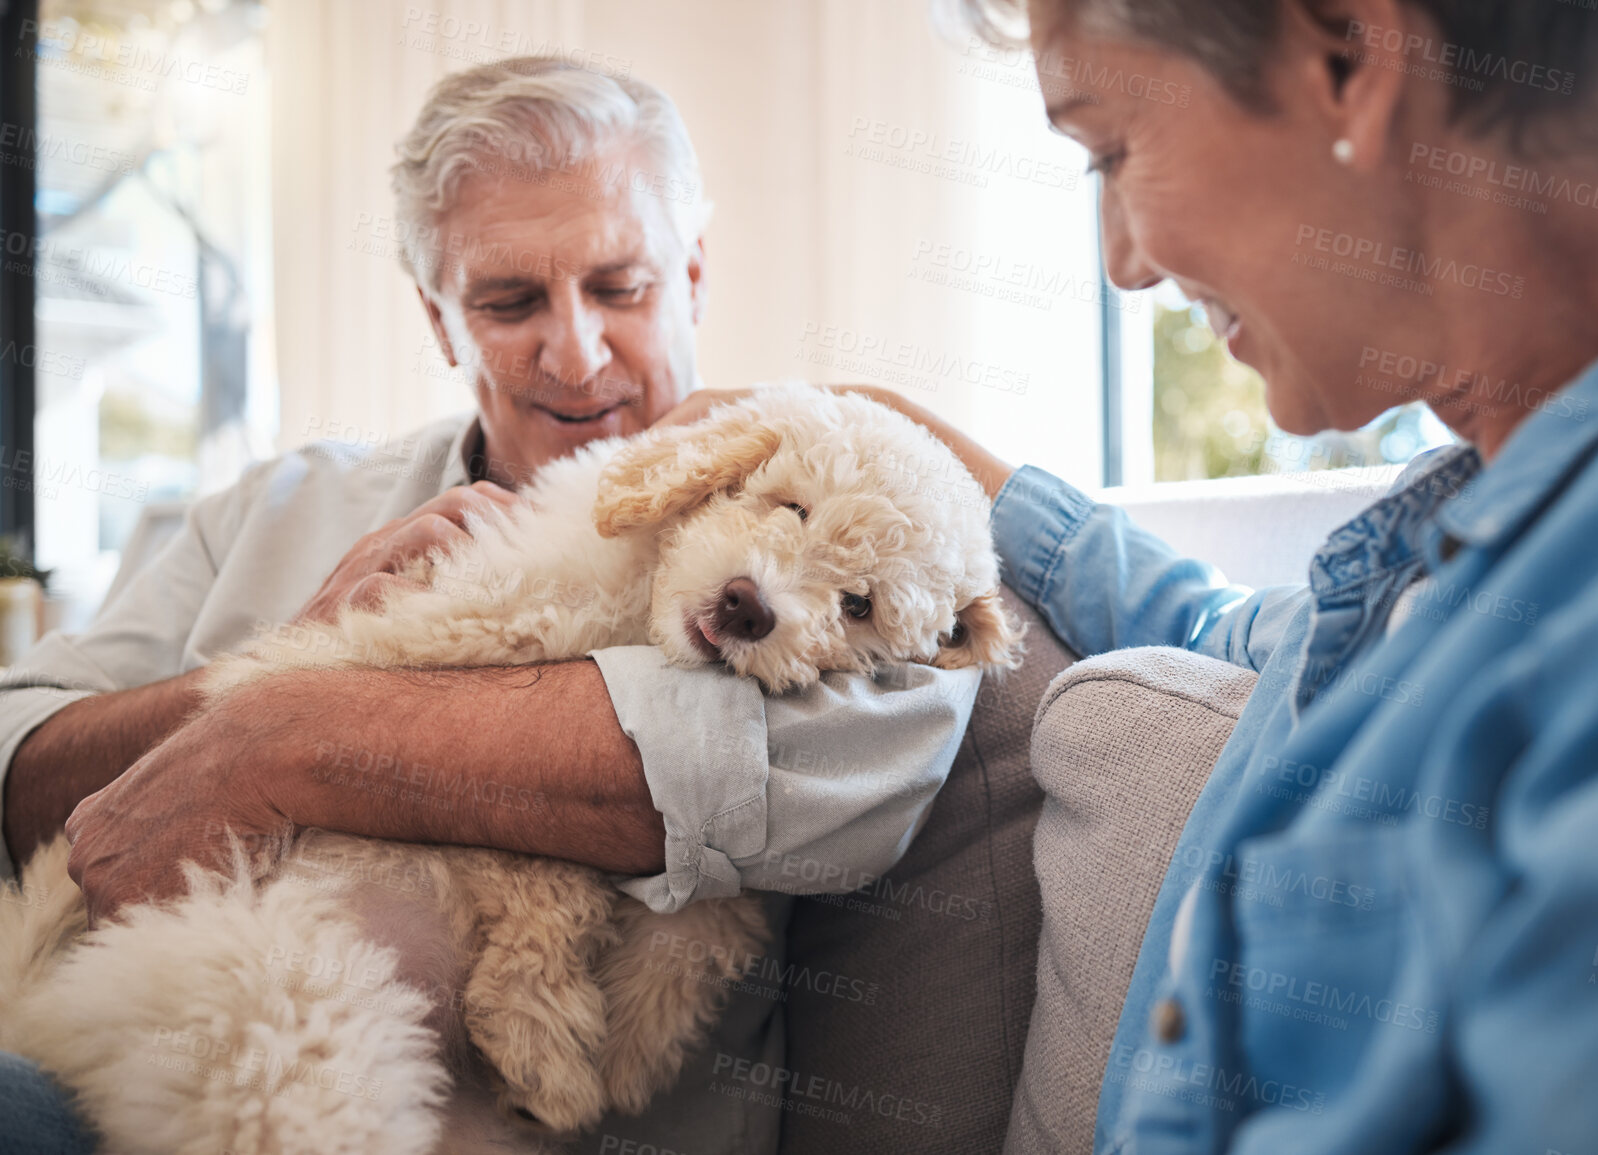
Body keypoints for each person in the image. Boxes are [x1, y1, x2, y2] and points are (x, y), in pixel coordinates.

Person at [681, 0, 1598, 1149]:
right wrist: (897, 439)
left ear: (1352, 56)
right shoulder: (1454, 544)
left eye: (1114, 152)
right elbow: (1221, 627)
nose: (1122, 263)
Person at [0, 59, 979, 1153]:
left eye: (622, 287)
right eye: (509, 302)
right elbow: (16, 758)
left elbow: (780, 770)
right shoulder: (273, 509)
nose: (576, 352)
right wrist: (295, 653)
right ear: (436, 318)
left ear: (693, 274)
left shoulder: (827, 532)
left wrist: (281, 732)